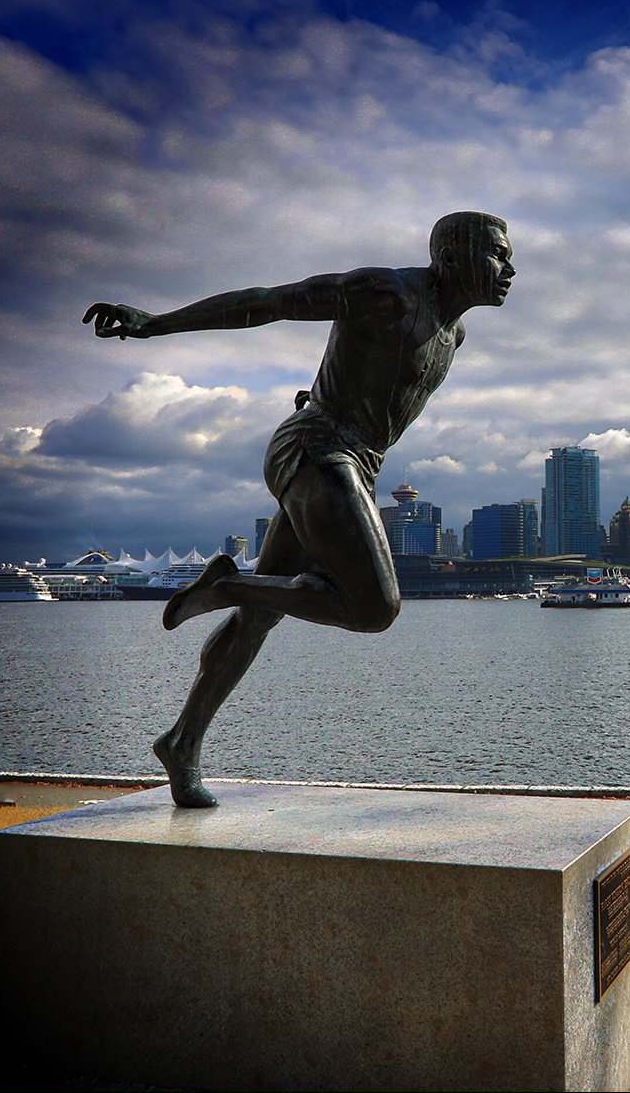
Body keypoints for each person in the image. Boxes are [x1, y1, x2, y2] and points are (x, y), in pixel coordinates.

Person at [82, 212, 514, 807]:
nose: (509, 269)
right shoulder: (385, 294)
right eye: (497, 254)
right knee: (375, 608)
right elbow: (270, 302)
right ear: (454, 254)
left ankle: (182, 744)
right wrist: (154, 324)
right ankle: (232, 584)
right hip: (317, 449)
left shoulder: (453, 334)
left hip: (349, 460)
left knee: (260, 618)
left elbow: (375, 389)